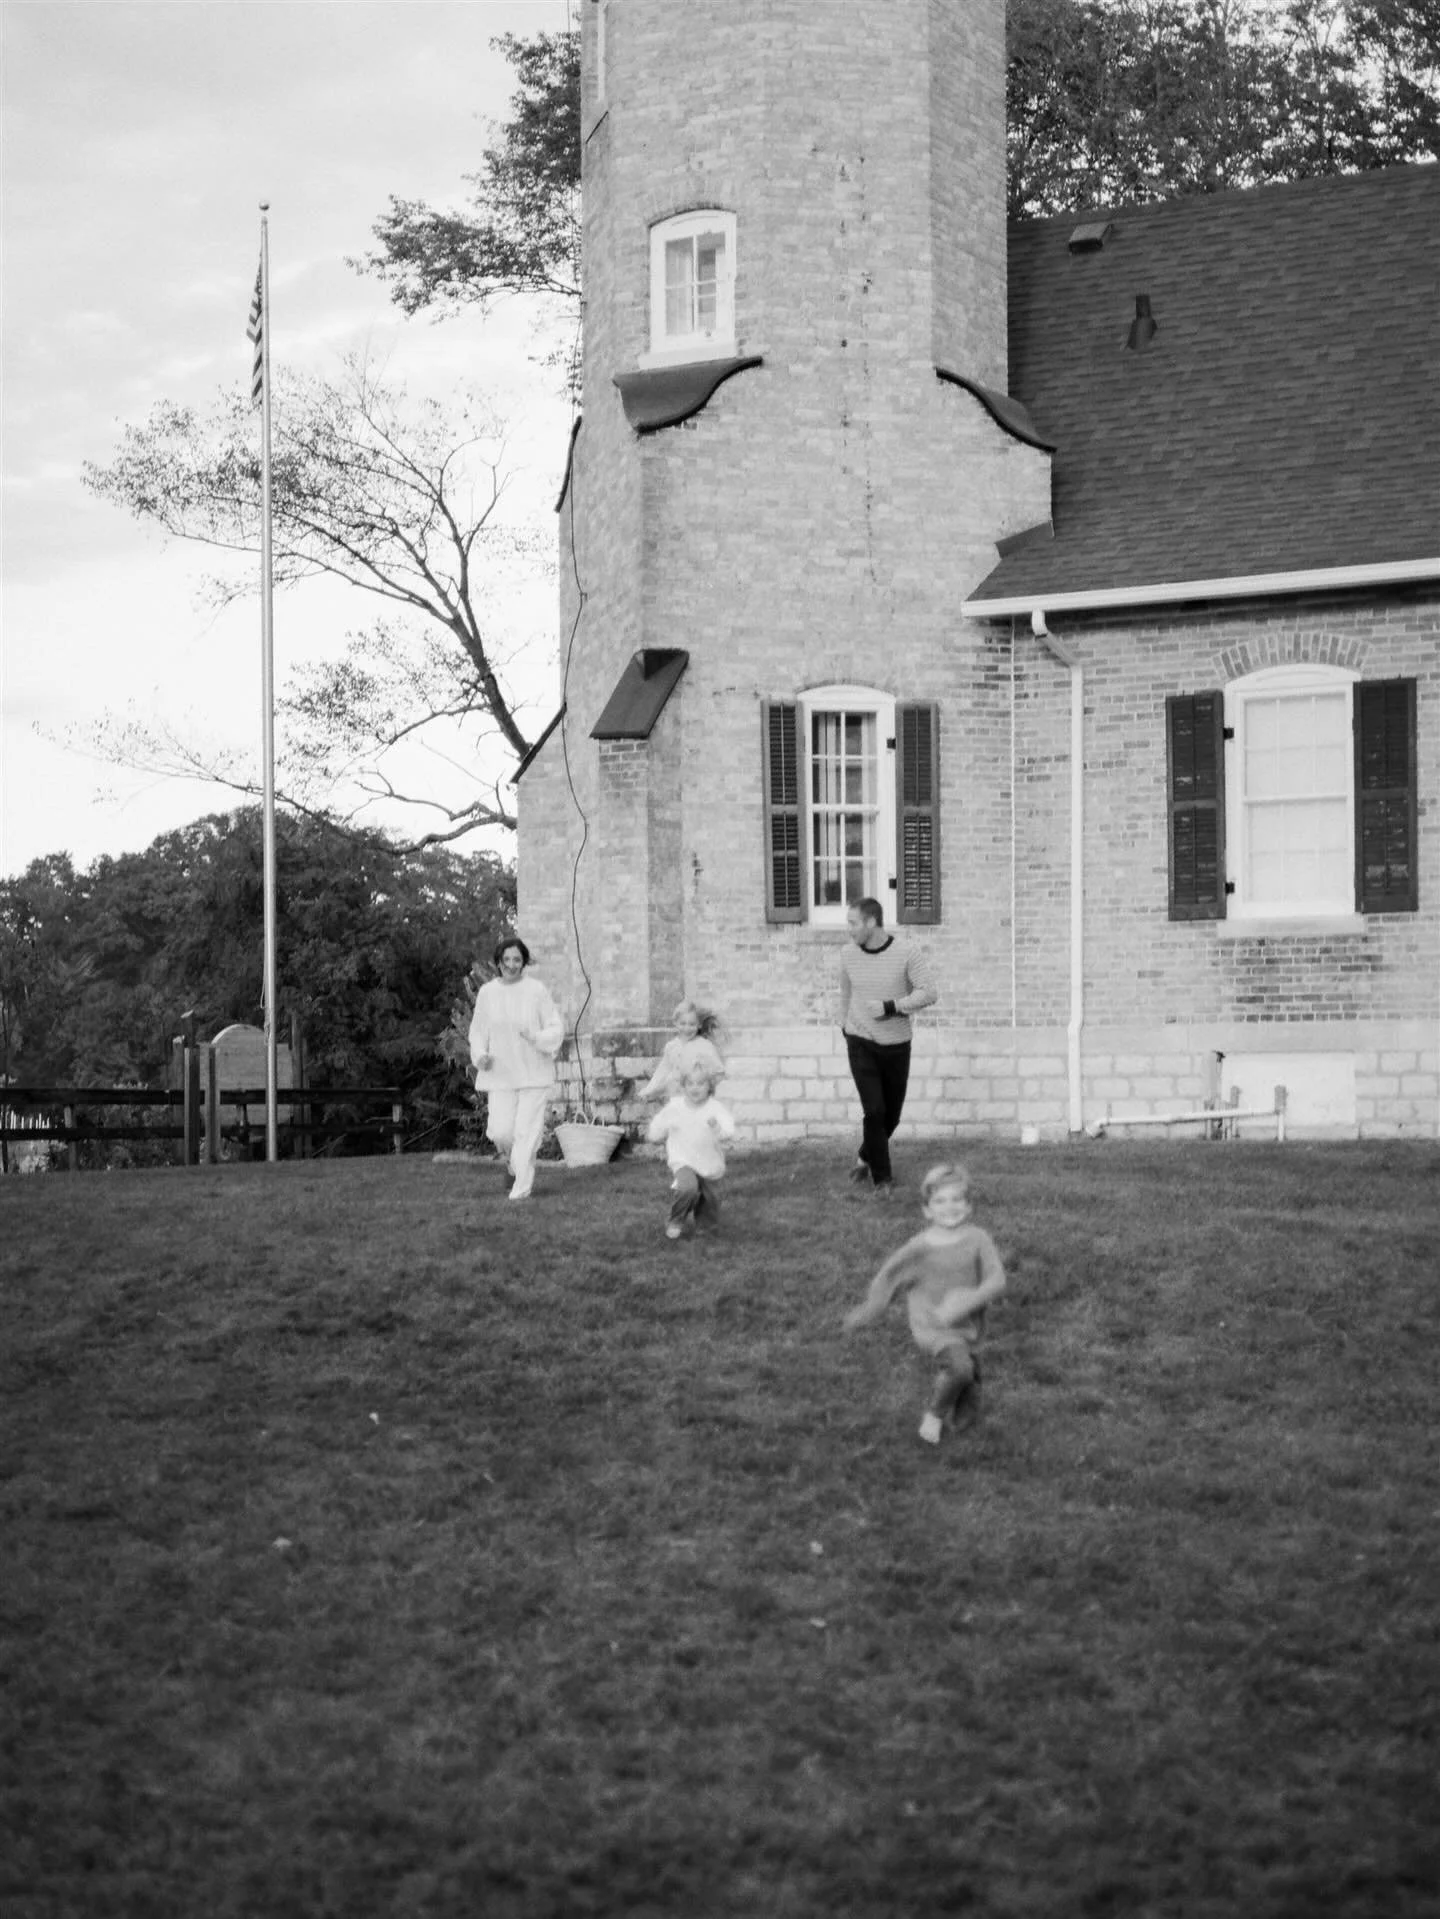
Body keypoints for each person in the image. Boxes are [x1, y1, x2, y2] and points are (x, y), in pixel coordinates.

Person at [843, 1163, 1006, 1445]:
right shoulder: (919, 1249)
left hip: (968, 1325)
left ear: (968, 1206)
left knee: (971, 1383)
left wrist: (965, 1302)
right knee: (960, 1368)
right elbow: (889, 1277)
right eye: (940, 1201)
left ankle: (965, 1432)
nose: (949, 1207)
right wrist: (869, 1311)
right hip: (932, 1327)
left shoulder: (978, 1239)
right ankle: (935, 1414)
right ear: (927, 1210)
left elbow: (997, 1280)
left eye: (957, 1200)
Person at [838, 896, 937, 1197]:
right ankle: (883, 1180)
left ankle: (865, 1156)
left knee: (891, 1116)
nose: (849, 930)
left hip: (896, 1044)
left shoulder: (907, 952)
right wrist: (845, 1025)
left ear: (871, 922)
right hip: (860, 1041)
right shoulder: (847, 953)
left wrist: (891, 1006)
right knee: (874, 1110)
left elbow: (929, 993)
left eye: (853, 924)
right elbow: (846, 992)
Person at [468, 936, 565, 1201]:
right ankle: (513, 1163)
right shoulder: (488, 993)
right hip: (500, 1074)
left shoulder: (536, 990)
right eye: (507, 960)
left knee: (526, 1133)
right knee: (501, 1131)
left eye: (517, 960)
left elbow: (556, 1028)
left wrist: (536, 1037)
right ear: (498, 962)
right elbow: (477, 1032)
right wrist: (481, 1056)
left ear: (523, 963)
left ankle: (521, 1188)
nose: (512, 965)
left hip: (534, 1073)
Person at [646, 1063, 736, 1240]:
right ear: (684, 1086)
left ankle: (706, 1231)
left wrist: (717, 1128)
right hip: (683, 1159)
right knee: (688, 1189)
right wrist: (656, 1134)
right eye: (690, 1084)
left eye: (701, 1084)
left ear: (709, 1087)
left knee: (710, 1199)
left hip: (709, 1162)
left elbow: (728, 1132)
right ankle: (675, 1220)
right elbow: (658, 1125)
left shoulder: (715, 1108)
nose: (695, 1088)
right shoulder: (676, 1108)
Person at [639, 1000, 726, 1101]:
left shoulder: (705, 1046)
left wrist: (704, 1087)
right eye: (683, 1024)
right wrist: (649, 1089)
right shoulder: (671, 1047)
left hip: (697, 1100)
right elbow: (662, 1071)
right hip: (675, 1098)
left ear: (699, 1025)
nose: (687, 1028)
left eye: (692, 1024)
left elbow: (719, 1072)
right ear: (675, 1023)